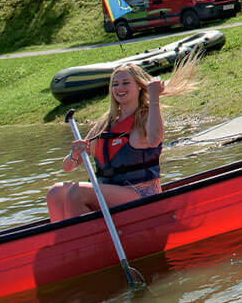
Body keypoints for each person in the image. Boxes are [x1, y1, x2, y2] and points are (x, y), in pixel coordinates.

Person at [46, 54, 199, 221]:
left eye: (126, 83)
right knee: (55, 192)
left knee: (78, 192)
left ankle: (81, 242)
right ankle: (66, 242)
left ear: (139, 87)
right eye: (115, 84)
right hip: (110, 192)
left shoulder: (146, 115)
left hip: (141, 194)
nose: (120, 88)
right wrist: (75, 154)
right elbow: (67, 167)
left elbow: (154, 139)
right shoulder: (106, 122)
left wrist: (154, 97)